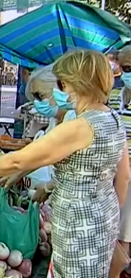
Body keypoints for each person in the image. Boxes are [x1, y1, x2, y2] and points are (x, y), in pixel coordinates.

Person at [0, 50, 129, 277]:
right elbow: (122, 175)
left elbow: (20, 158)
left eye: (62, 83)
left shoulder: (79, 126)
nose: (60, 90)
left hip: (77, 224)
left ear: (79, 83)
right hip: (101, 217)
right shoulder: (113, 118)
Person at [112, 45, 131, 278]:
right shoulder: (115, 96)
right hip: (112, 173)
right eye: (125, 68)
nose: (127, 72)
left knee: (125, 232)